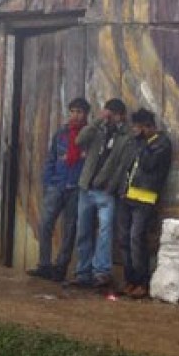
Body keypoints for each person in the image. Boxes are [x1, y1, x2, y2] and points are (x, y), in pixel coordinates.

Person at [69, 98, 136, 289]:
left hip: (105, 191)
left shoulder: (126, 137)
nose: (110, 117)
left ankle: (101, 273)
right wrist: (98, 121)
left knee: (105, 232)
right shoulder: (98, 130)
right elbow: (79, 140)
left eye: (113, 114)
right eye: (108, 113)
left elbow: (123, 166)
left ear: (121, 116)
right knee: (83, 230)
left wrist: (112, 187)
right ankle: (83, 272)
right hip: (86, 187)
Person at [27, 97, 91, 282]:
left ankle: (60, 267)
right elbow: (51, 158)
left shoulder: (90, 135)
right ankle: (44, 265)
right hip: (58, 185)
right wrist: (48, 182)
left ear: (86, 114)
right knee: (45, 223)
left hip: (76, 188)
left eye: (79, 112)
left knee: (70, 229)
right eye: (72, 111)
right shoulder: (61, 134)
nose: (75, 115)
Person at [119, 108, 172, 298]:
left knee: (137, 239)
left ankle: (142, 281)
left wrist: (142, 142)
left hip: (145, 198)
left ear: (148, 127)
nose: (136, 131)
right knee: (124, 239)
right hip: (128, 195)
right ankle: (130, 279)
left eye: (139, 128)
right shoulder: (137, 143)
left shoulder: (161, 144)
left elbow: (148, 165)